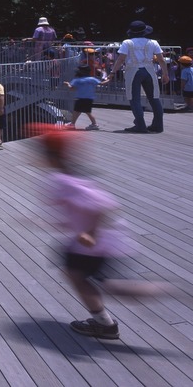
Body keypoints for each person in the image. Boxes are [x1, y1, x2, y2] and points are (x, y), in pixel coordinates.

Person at [34, 126, 165, 340]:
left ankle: (105, 324)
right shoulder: (67, 176)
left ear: (51, 156)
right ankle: (107, 320)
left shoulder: (66, 181)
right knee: (99, 282)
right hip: (96, 242)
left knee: (86, 278)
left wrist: (90, 233)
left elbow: (104, 206)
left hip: (96, 244)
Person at [108, 20, 169, 133]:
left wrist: (112, 72)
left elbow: (121, 59)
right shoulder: (153, 42)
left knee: (134, 99)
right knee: (154, 98)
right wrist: (165, 74)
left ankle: (140, 125)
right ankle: (158, 125)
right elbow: (161, 59)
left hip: (133, 71)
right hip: (149, 71)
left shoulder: (127, 42)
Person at [64, 66, 110, 130]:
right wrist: (108, 79)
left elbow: (72, 88)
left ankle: (73, 124)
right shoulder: (91, 79)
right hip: (89, 98)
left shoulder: (77, 80)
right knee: (87, 112)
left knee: (76, 111)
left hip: (80, 98)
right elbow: (101, 83)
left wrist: (67, 84)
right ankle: (93, 124)